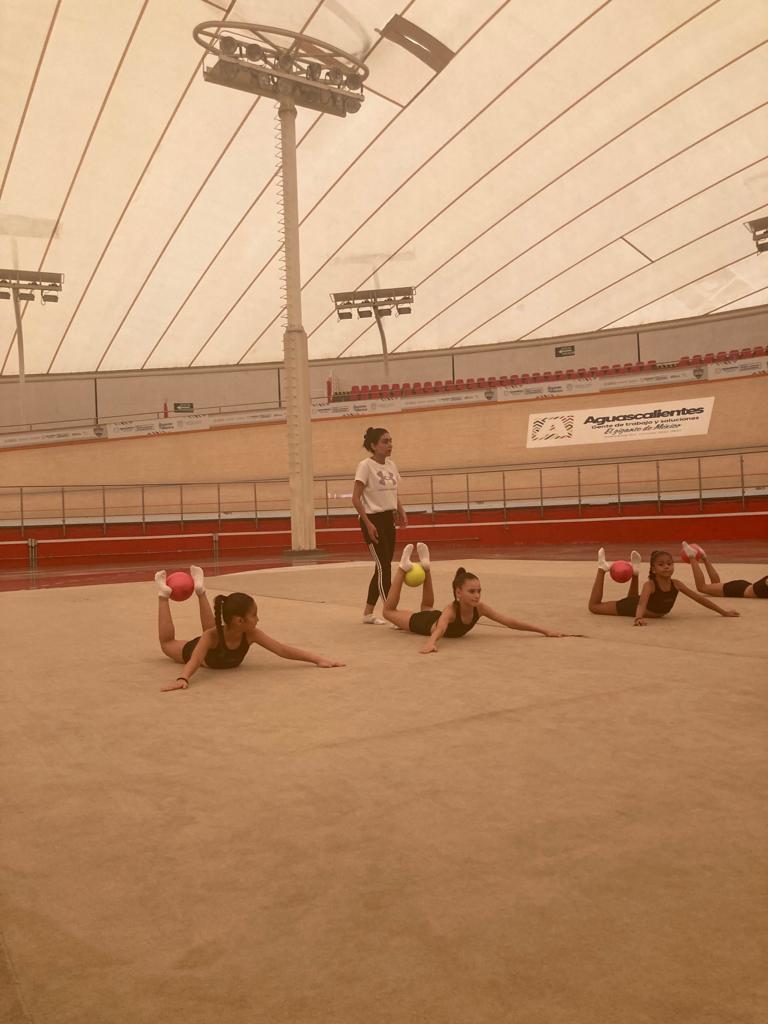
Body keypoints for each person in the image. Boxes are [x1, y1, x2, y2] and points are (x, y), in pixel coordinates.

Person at [155, 566, 344, 691]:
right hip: (196, 648)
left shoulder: (250, 634)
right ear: (239, 621)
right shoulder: (211, 637)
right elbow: (195, 660)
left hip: (217, 635)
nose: (258, 619)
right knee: (167, 644)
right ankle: (163, 596)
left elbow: (281, 649)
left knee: (213, 631)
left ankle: (200, 591)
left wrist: (318, 660)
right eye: (254, 615)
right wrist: (183, 679)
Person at [382, 543, 569, 653]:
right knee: (388, 612)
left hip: (433, 617)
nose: (477, 595)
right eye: (472, 592)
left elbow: (509, 621)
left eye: (479, 590)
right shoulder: (451, 610)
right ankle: (402, 567)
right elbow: (439, 629)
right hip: (422, 624)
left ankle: (426, 567)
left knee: (428, 607)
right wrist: (430, 643)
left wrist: (544, 630)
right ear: (458, 593)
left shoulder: (479, 608)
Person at [588, 548, 740, 626]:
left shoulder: (677, 584)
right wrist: (638, 618)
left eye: (669, 564)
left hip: (640, 605)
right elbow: (640, 603)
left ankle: (635, 572)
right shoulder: (650, 585)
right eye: (661, 565)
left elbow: (699, 598)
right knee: (594, 607)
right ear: (653, 569)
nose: (666, 567)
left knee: (632, 599)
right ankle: (602, 568)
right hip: (633, 607)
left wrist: (723, 612)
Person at [353, 426, 408, 624]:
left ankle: (368, 613)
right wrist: (367, 523)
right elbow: (356, 498)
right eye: (385, 441)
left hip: (388, 520)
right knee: (384, 567)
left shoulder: (391, 465)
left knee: (382, 568)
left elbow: (393, 492)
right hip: (372, 521)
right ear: (373, 446)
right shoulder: (365, 466)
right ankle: (391, 613)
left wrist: (400, 510)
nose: (390, 445)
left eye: (391, 440)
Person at [681, 541, 768, 599]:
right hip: (738, 590)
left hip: (743, 586)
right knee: (702, 587)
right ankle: (691, 556)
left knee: (715, 585)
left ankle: (704, 557)